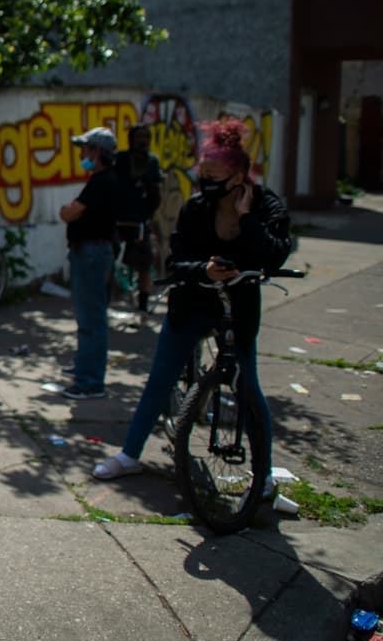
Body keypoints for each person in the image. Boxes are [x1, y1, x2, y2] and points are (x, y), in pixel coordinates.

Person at [92, 119, 292, 481]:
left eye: (214, 176)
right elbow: (176, 260)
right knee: (160, 378)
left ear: (238, 178)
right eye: (203, 173)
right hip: (192, 305)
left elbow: (276, 254)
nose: (206, 182)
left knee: (249, 385)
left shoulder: (265, 206)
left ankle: (262, 475)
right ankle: (129, 454)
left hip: (239, 307)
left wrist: (247, 221)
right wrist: (204, 270)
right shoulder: (196, 207)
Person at [58, 126, 119, 399]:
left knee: (92, 318)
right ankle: (85, 367)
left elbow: (70, 213)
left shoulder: (103, 181)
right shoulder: (100, 181)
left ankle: (90, 381)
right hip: (90, 253)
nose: (82, 154)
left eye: (86, 149)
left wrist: (68, 211)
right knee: (86, 317)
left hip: (92, 255)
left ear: (97, 152)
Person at [113, 124, 163, 311]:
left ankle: (143, 305)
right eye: (139, 137)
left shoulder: (152, 162)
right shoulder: (121, 160)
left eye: (146, 138)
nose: (142, 141)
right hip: (119, 220)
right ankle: (111, 297)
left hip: (140, 221)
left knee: (144, 265)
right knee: (112, 260)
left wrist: (149, 212)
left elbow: (156, 195)